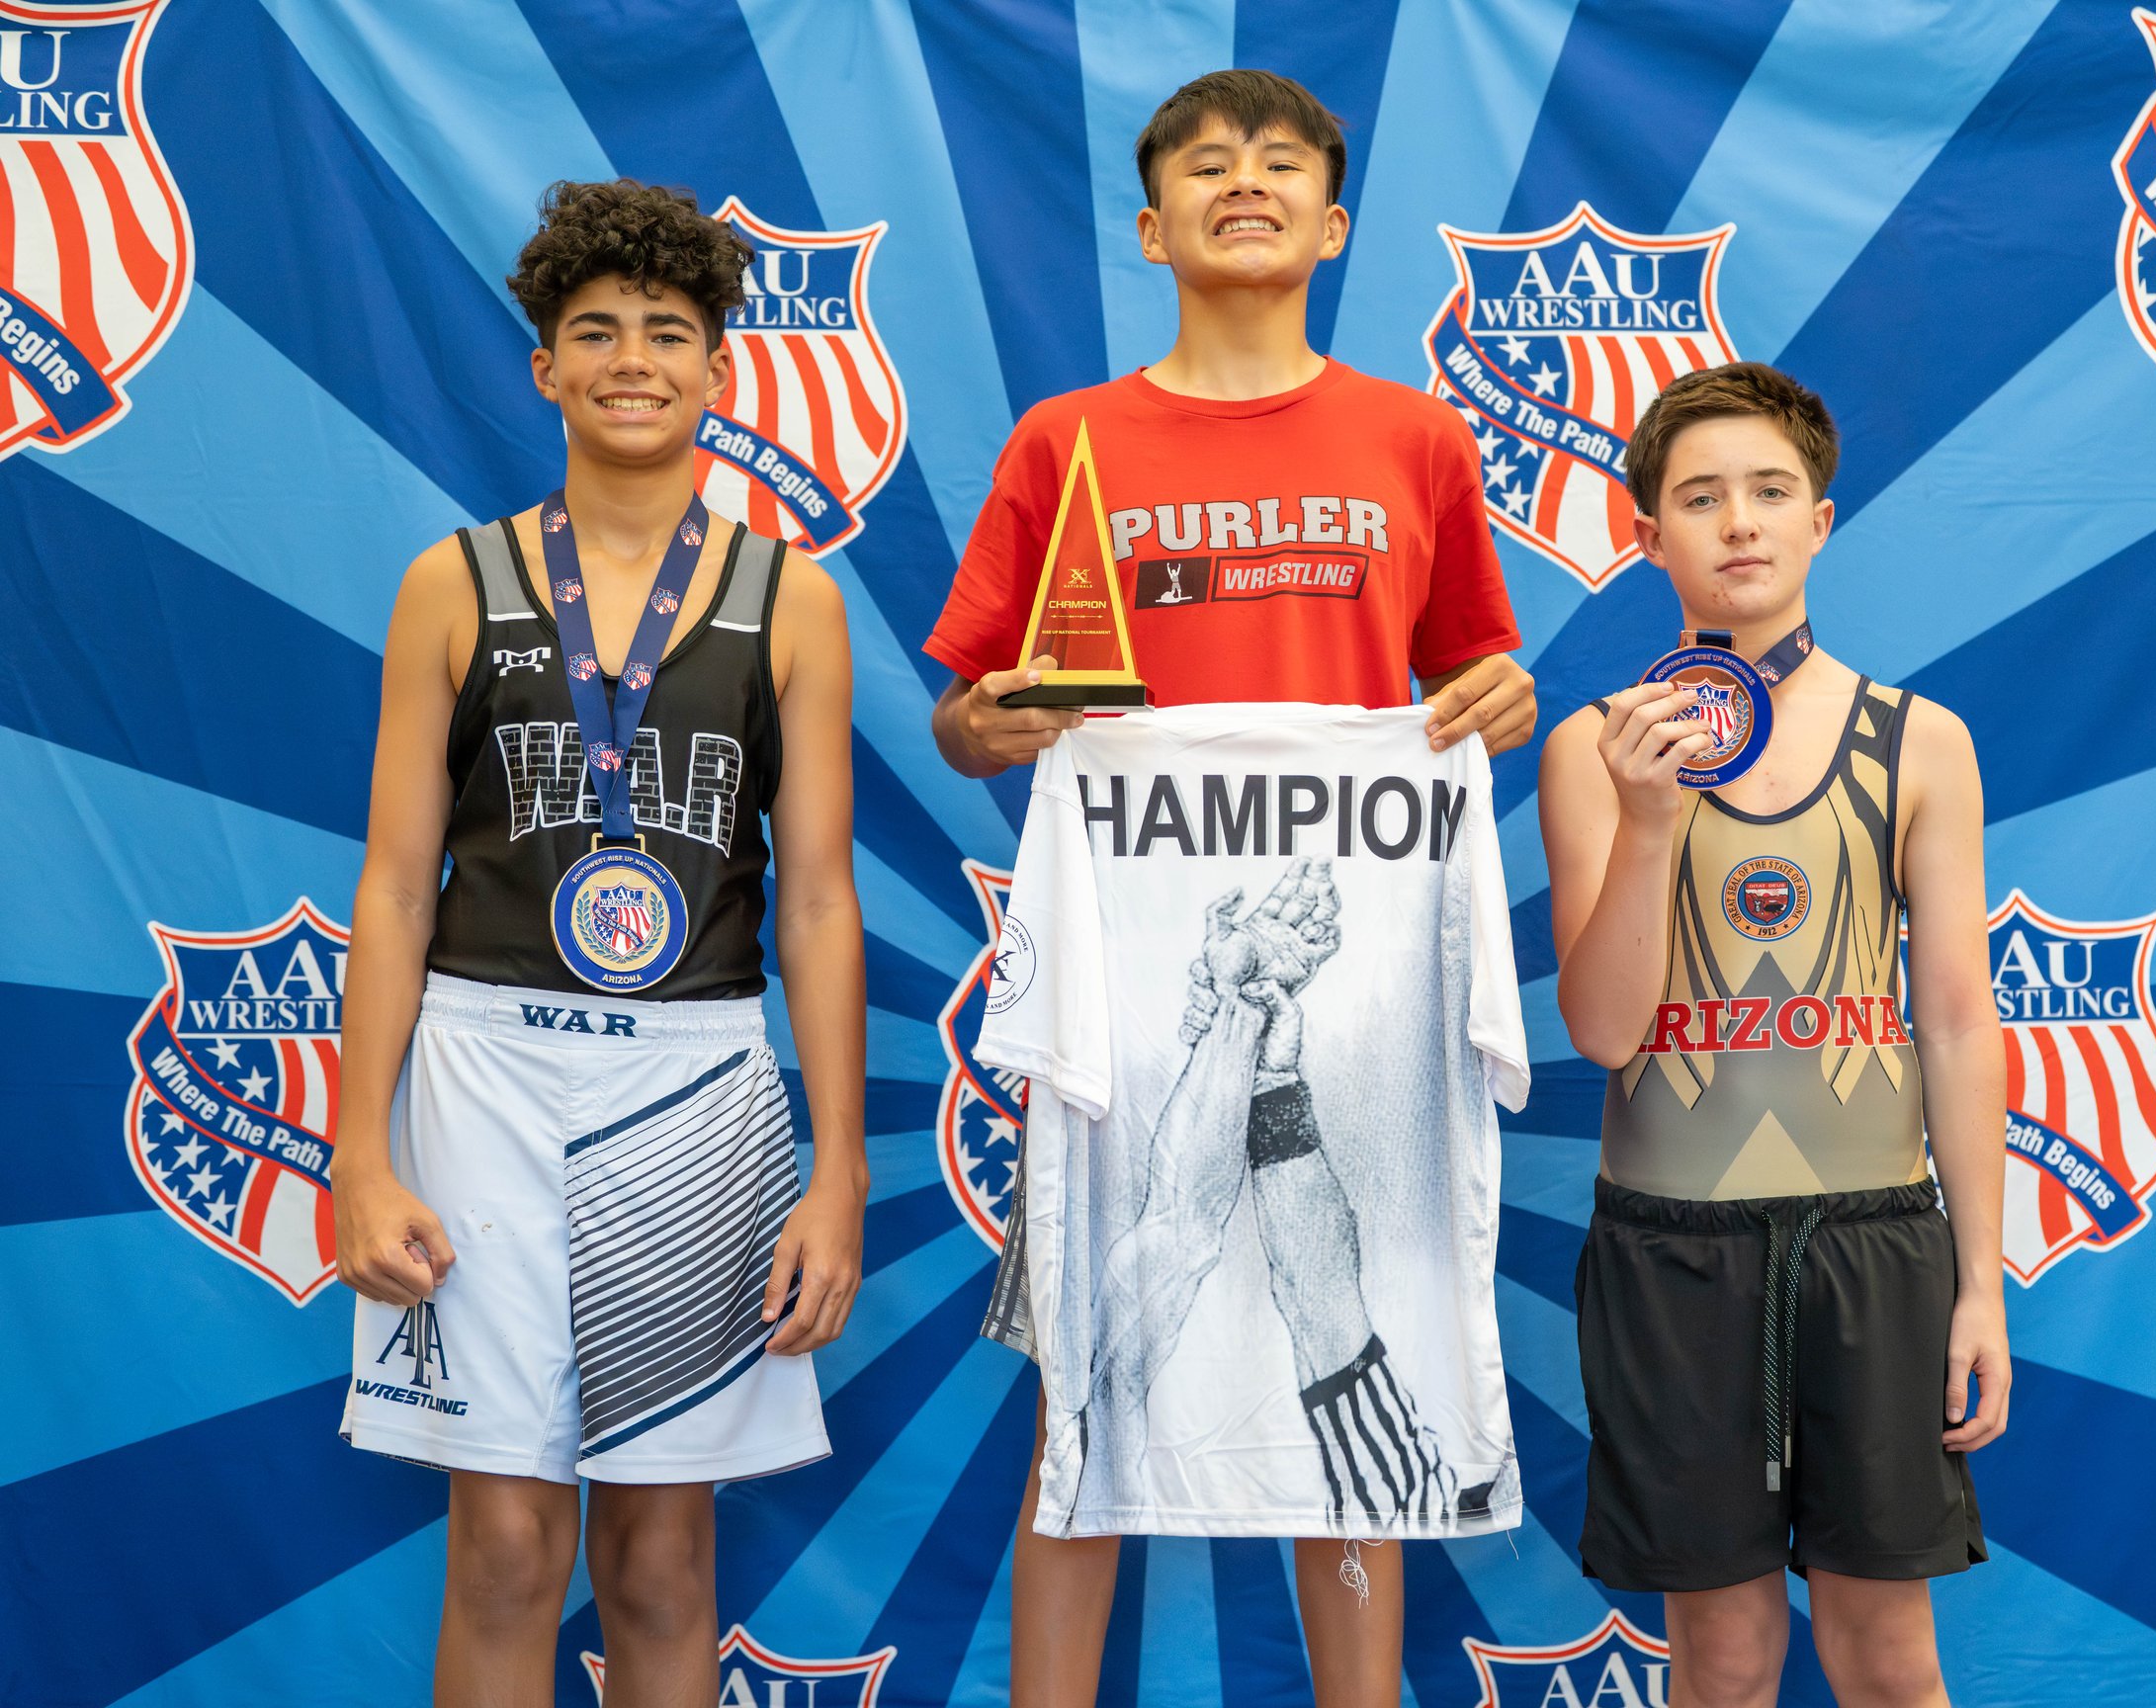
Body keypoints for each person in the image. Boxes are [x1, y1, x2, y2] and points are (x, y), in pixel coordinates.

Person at [922, 70, 1536, 1708]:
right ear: (1153, 225)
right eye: (1207, 163)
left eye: (1280, 164)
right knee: (1090, 1376)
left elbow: (1479, 674)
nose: (1243, 182)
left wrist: (1499, 698)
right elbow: (966, 711)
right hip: (1135, 999)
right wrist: (1004, 720)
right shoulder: (1070, 441)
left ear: (1334, 225)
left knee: (1348, 1346)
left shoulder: (1416, 438)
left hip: (1350, 995)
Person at [330, 179, 867, 1708]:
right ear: (543, 369)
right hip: (483, 1066)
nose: (633, 358)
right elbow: (391, 885)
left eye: (670, 333)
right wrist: (359, 1153)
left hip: (696, 1088)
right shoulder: (454, 580)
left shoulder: (794, 604)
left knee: (658, 1557)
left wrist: (836, 1170)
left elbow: (819, 901)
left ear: (721, 371)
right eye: (596, 331)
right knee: (502, 1544)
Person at [1538, 361, 2009, 1708]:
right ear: (1645, 535)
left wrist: (1980, 1282)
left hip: (1872, 1240)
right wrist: (1646, 826)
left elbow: (1962, 1021)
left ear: (1822, 519)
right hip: (1672, 1256)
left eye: (1768, 491)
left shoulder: (1921, 742)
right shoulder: (1596, 751)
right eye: (1699, 497)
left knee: (1886, 1649)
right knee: (1724, 1658)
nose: (1738, 521)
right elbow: (1608, 1033)